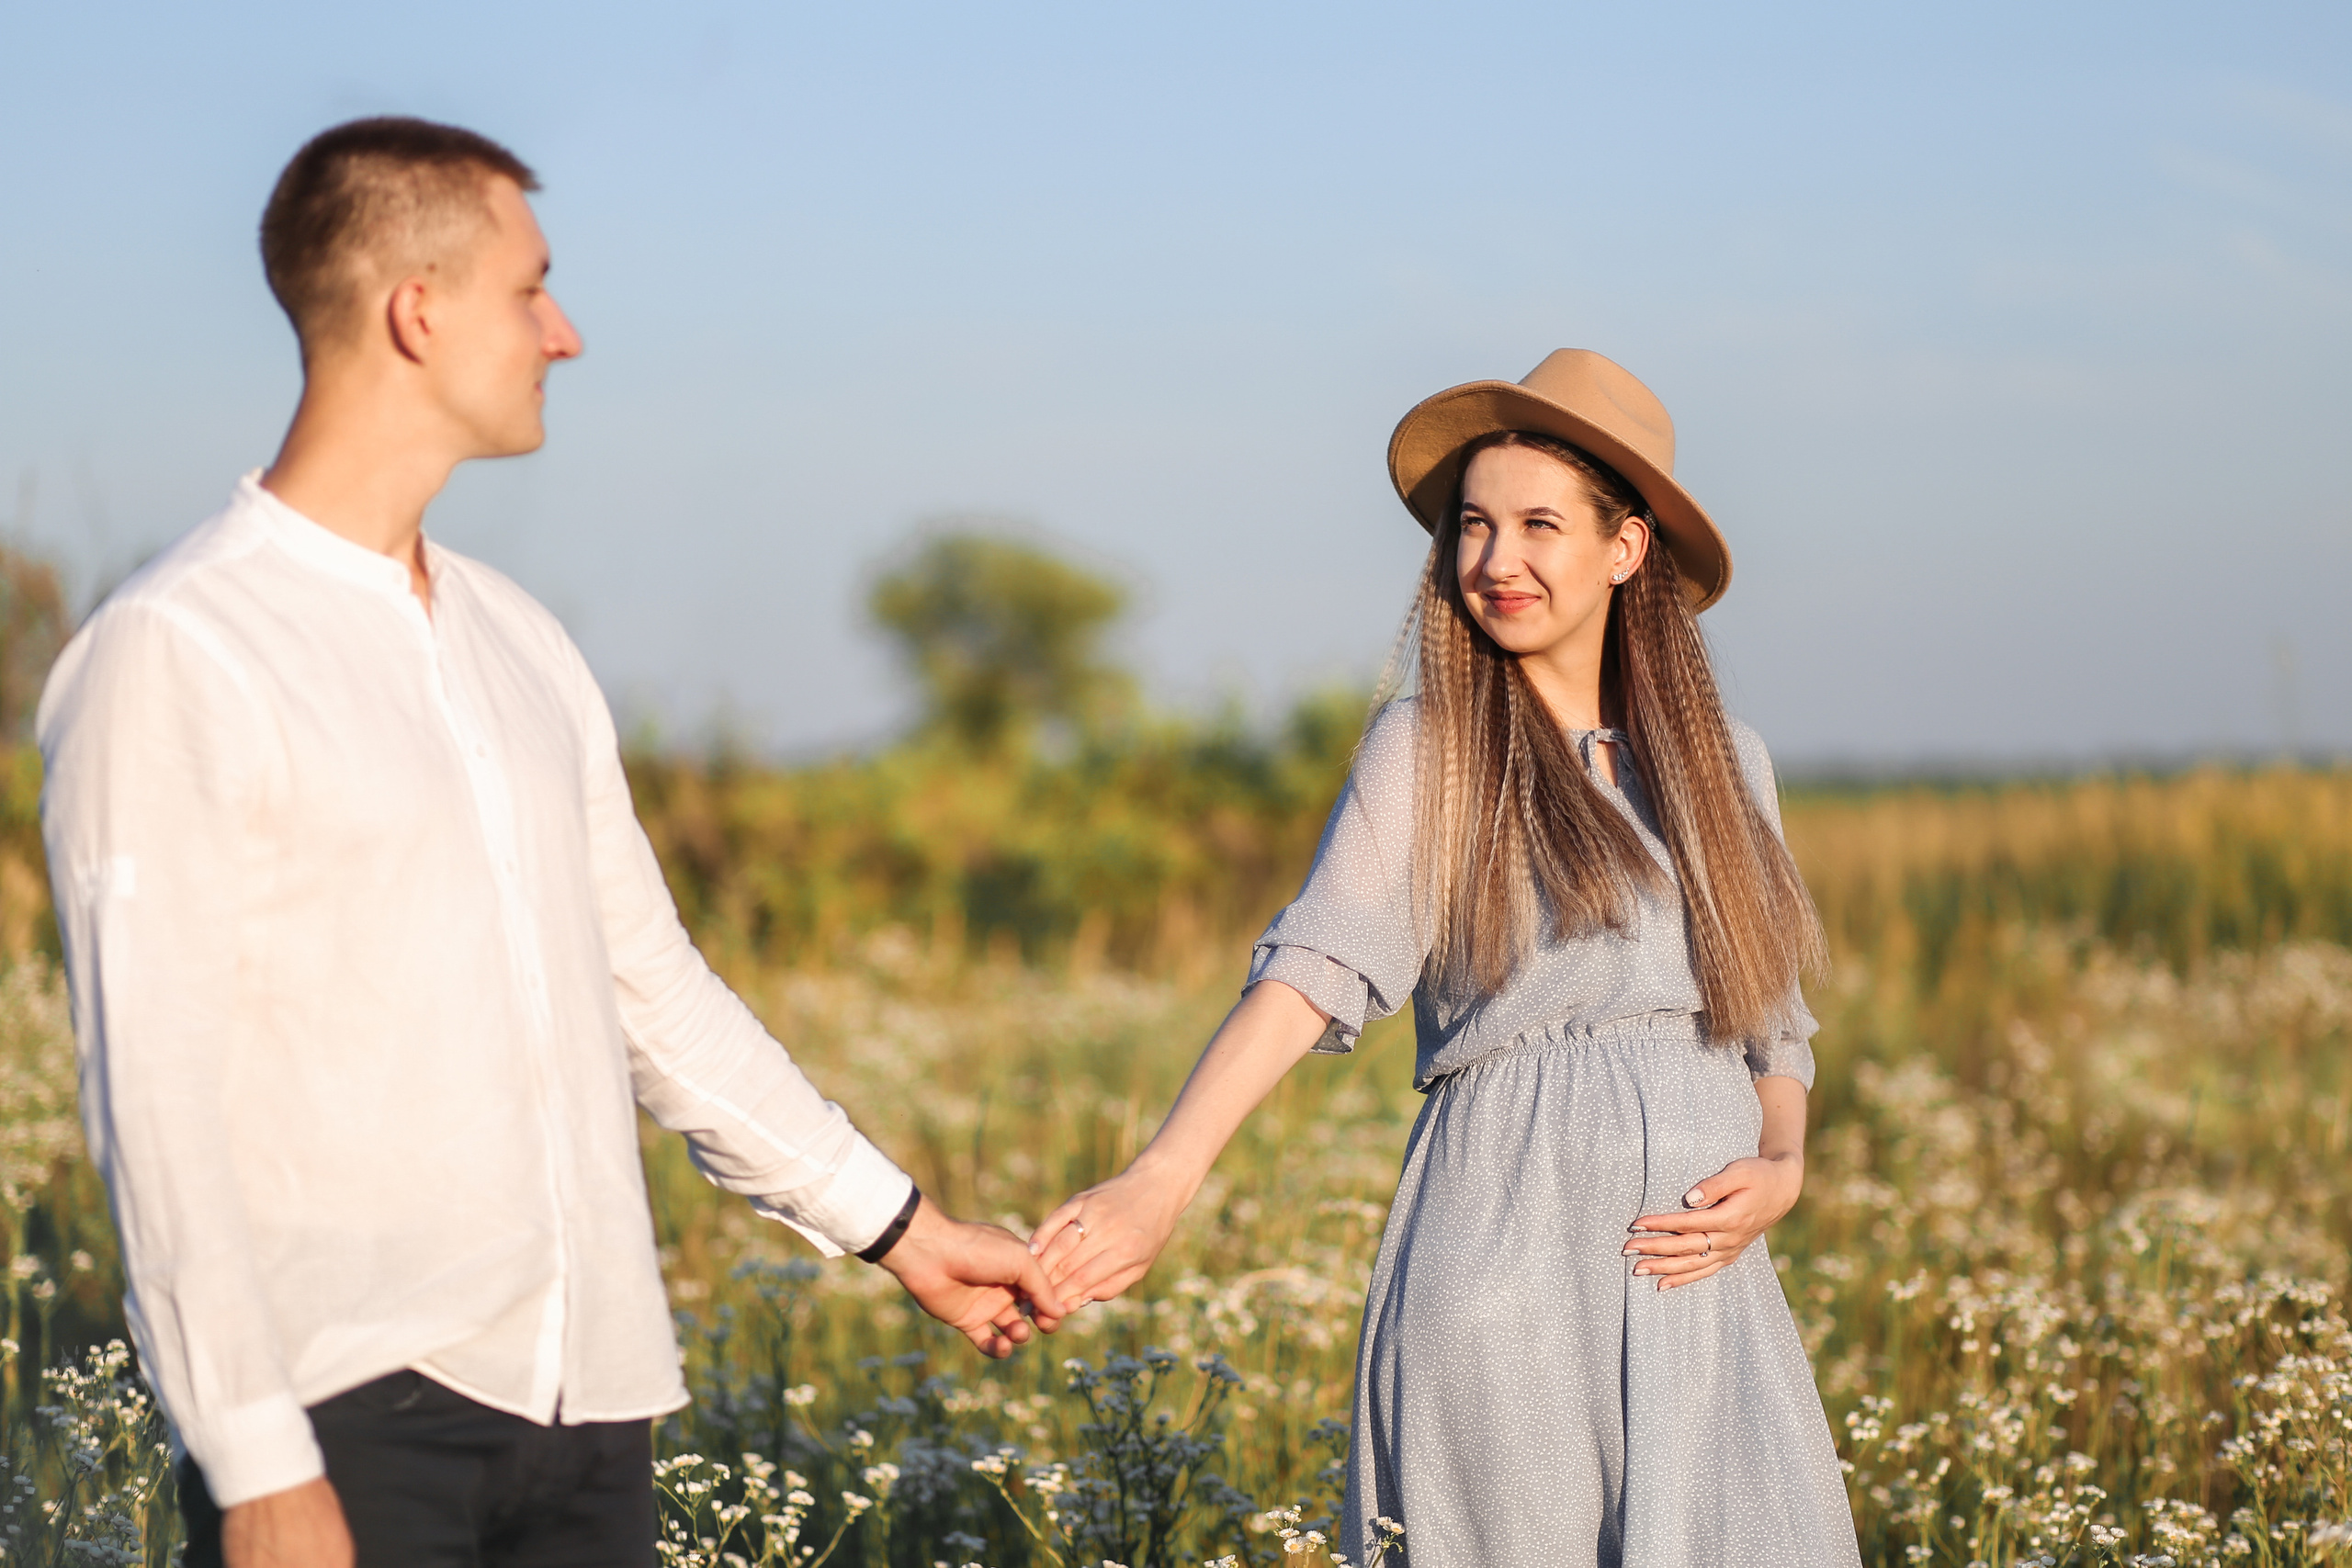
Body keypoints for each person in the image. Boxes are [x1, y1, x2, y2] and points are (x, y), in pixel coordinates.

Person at [38, 117, 1064, 1568]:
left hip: (592, 1420)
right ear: (417, 310)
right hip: (349, 1434)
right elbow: (152, 1104)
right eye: (532, 289)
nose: (565, 333)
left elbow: (653, 996)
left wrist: (902, 1231)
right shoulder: (176, 651)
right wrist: (259, 1464)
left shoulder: (519, 640)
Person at [1029, 351, 1862, 1566]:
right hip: (1508, 1250)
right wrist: (1161, 1176)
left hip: (1699, 1277)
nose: (1497, 560)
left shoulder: (1727, 763)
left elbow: (1771, 1021)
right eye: (1474, 526)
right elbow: (1311, 974)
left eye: (1537, 525)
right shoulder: (1431, 748)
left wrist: (1782, 1161)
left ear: (1627, 548)